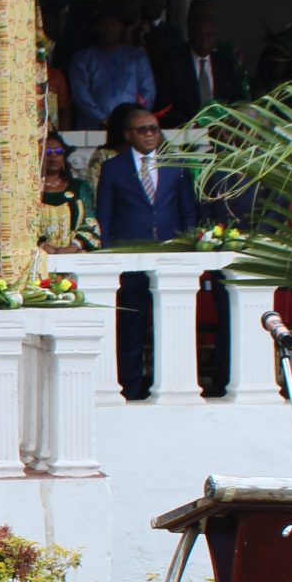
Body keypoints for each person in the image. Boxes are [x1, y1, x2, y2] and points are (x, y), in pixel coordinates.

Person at [94, 106, 198, 399]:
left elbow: (188, 211)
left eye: (154, 128)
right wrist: (110, 256)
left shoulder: (175, 164)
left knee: (173, 324)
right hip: (130, 259)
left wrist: (187, 248)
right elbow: (106, 216)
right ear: (128, 135)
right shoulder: (113, 168)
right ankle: (131, 388)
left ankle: (174, 386)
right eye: (143, 130)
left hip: (171, 257)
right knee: (131, 326)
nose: (151, 134)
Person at [68, 10, 158, 129]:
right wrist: (103, 119)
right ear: (95, 28)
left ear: (122, 27)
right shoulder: (82, 58)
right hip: (93, 128)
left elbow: (148, 92)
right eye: (104, 24)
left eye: (114, 23)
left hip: (133, 127)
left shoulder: (137, 56)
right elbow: (80, 95)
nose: (109, 28)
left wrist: (134, 119)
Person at [36, 133, 101, 254]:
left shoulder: (80, 187)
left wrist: (72, 247)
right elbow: (24, 226)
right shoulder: (28, 191)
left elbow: (90, 222)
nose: (54, 155)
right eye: (48, 152)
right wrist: (43, 245)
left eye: (59, 151)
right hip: (39, 258)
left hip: (75, 256)